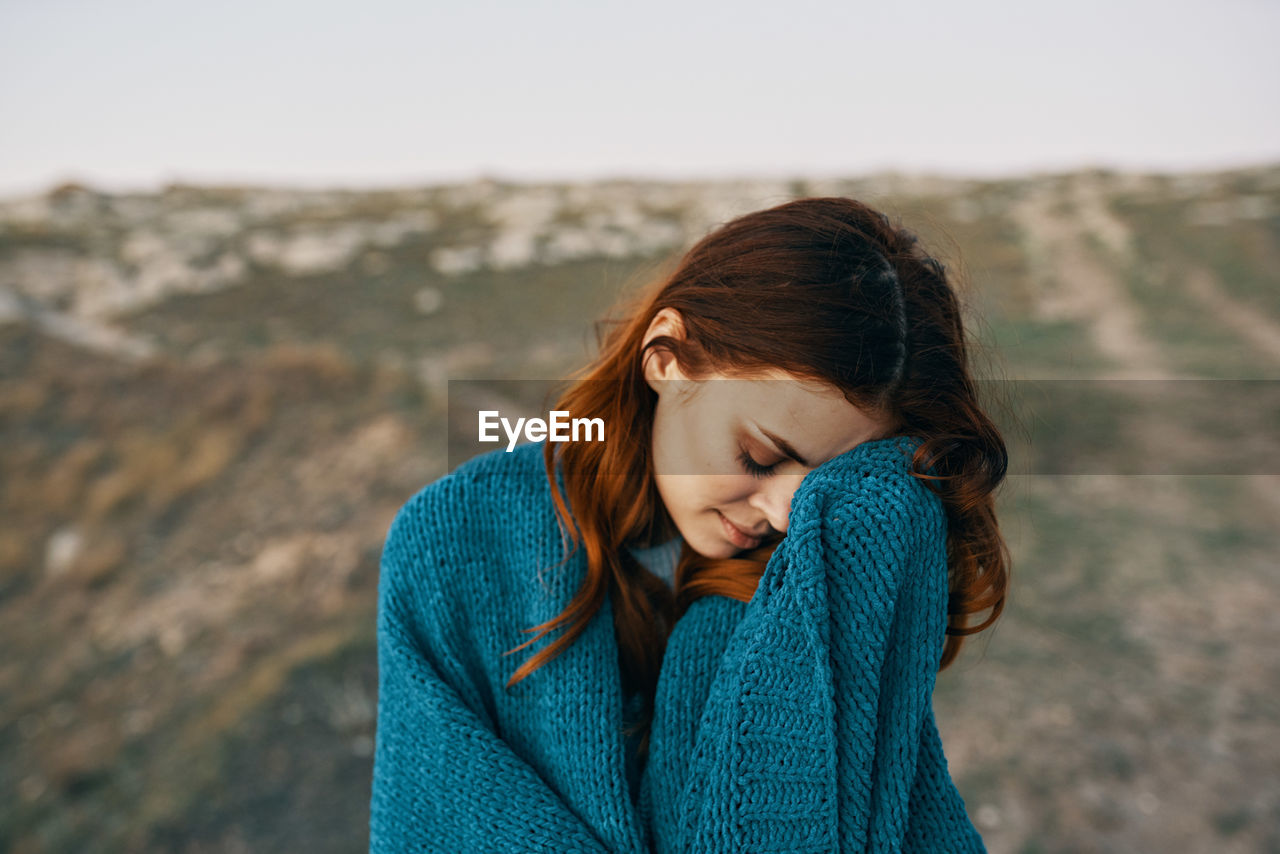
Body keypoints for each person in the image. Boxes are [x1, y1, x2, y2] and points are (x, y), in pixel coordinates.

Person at [369, 196, 1010, 852]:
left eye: (825, 488)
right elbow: (435, 816)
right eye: (759, 456)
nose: (784, 514)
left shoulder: (808, 588)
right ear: (666, 357)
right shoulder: (457, 541)